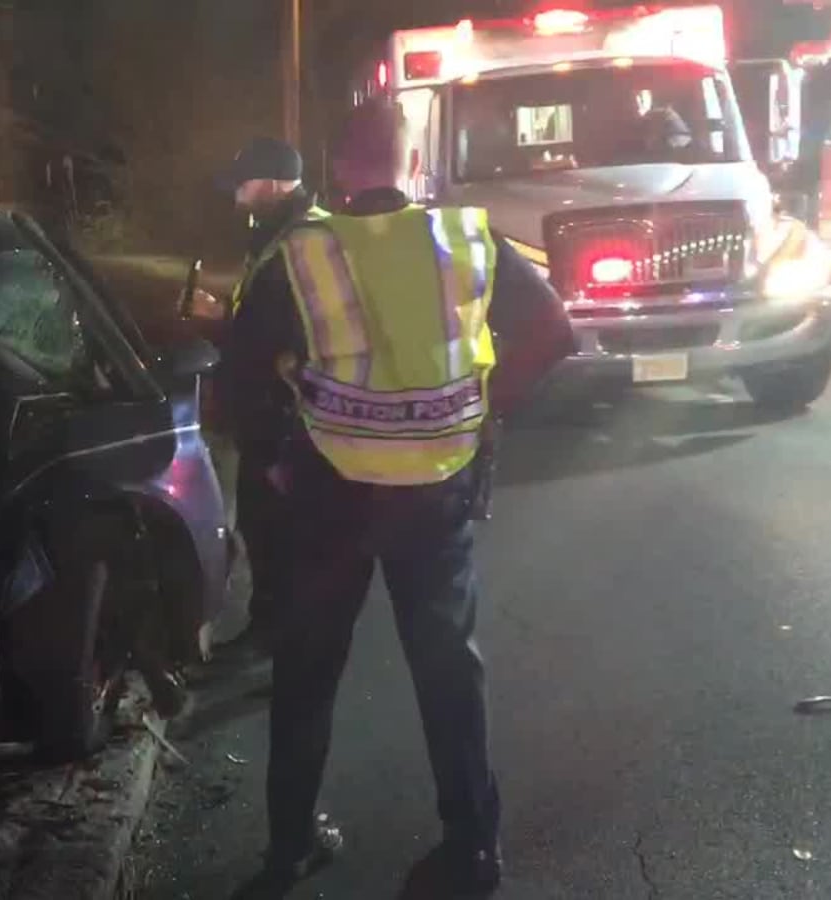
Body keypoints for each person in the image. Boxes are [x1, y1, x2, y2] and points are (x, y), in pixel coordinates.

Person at [219, 98, 576, 897]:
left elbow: (239, 381)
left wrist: (275, 462)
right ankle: (474, 848)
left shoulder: (299, 257)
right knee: (448, 670)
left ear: (338, 171)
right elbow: (554, 332)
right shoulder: (466, 240)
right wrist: (485, 411)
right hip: (435, 493)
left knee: (307, 671)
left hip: (326, 498)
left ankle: (289, 846)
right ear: (415, 167)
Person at [208, 137, 329, 660]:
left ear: (275, 184)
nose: (237, 198)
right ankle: (280, 634)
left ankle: (280, 643)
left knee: (277, 532)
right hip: (273, 411)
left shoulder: (302, 239)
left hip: (286, 416)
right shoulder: (280, 233)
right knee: (270, 529)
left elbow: (286, 332)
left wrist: (220, 328)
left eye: (244, 186)